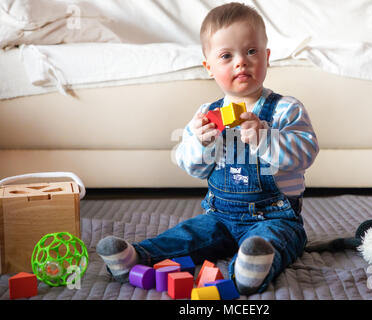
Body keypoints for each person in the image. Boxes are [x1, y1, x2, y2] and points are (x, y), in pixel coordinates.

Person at [96, 2, 319, 295]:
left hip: (275, 216)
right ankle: (138, 256)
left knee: (274, 240)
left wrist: (267, 138)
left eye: (251, 51)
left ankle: (250, 267)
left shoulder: (286, 109)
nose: (241, 62)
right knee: (189, 234)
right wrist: (200, 144)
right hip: (220, 216)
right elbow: (192, 166)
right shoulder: (206, 114)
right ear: (209, 68)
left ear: (266, 57)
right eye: (227, 56)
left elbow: (306, 154)